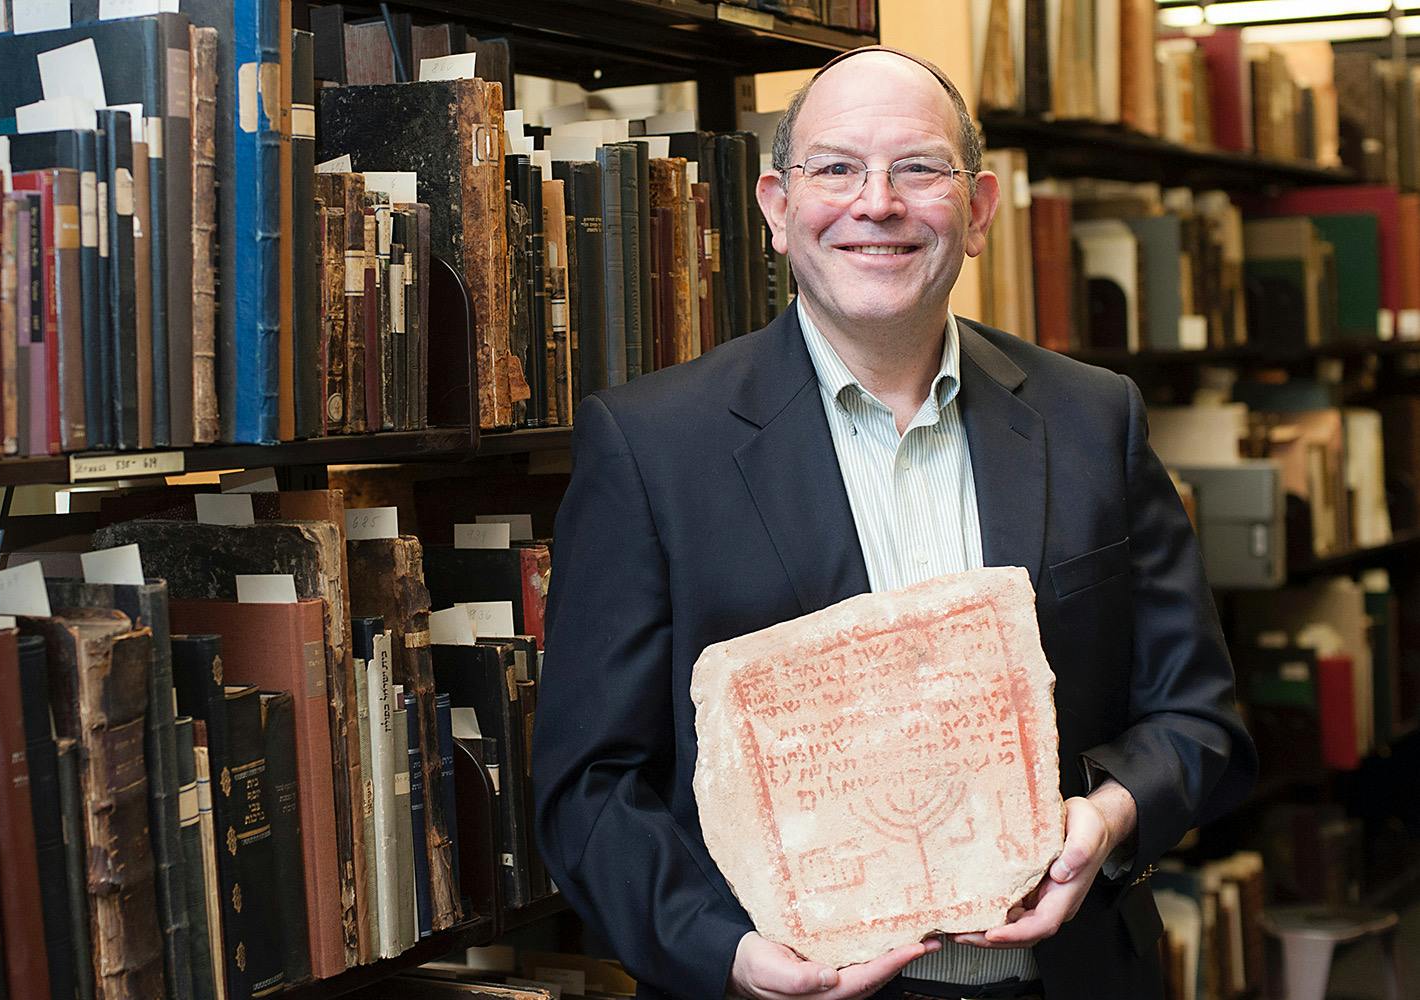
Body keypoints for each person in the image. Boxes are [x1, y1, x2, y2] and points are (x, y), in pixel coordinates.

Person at [532, 45, 1257, 1000]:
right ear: (777, 209)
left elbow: (1204, 721)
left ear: (981, 210)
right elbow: (589, 792)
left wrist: (1111, 817)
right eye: (835, 168)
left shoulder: (1093, 418)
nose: (877, 203)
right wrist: (732, 959)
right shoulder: (652, 448)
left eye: (919, 168)